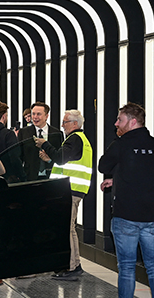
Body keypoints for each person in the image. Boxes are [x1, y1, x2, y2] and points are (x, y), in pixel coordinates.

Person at [99, 102, 154, 298]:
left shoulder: (121, 144)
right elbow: (152, 174)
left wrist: (115, 175)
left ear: (133, 121)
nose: (116, 123)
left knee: (127, 267)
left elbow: (104, 166)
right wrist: (118, 178)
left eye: (120, 120)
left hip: (126, 215)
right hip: (153, 216)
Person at [35, 109, 92, 281]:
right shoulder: (80, 140)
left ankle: (73, 266)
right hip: (73, 189)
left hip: (70, 190)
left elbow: (61, 157)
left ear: (75, 124)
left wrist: (45, 144)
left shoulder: (75, 139)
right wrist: (50, 160)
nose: (62, 125)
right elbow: (65, 161)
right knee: (69, 228)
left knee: (68, 229)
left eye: (65, 122)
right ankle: (72, 264)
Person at [17, 102, 64, 181]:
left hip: (51, 177)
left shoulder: (57, 134)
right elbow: (19, 156)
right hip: (29, 178)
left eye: (38, 114)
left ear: (46, 116)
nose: (35, 117)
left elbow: (60, 157)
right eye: (33, 114)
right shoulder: (23, 132)